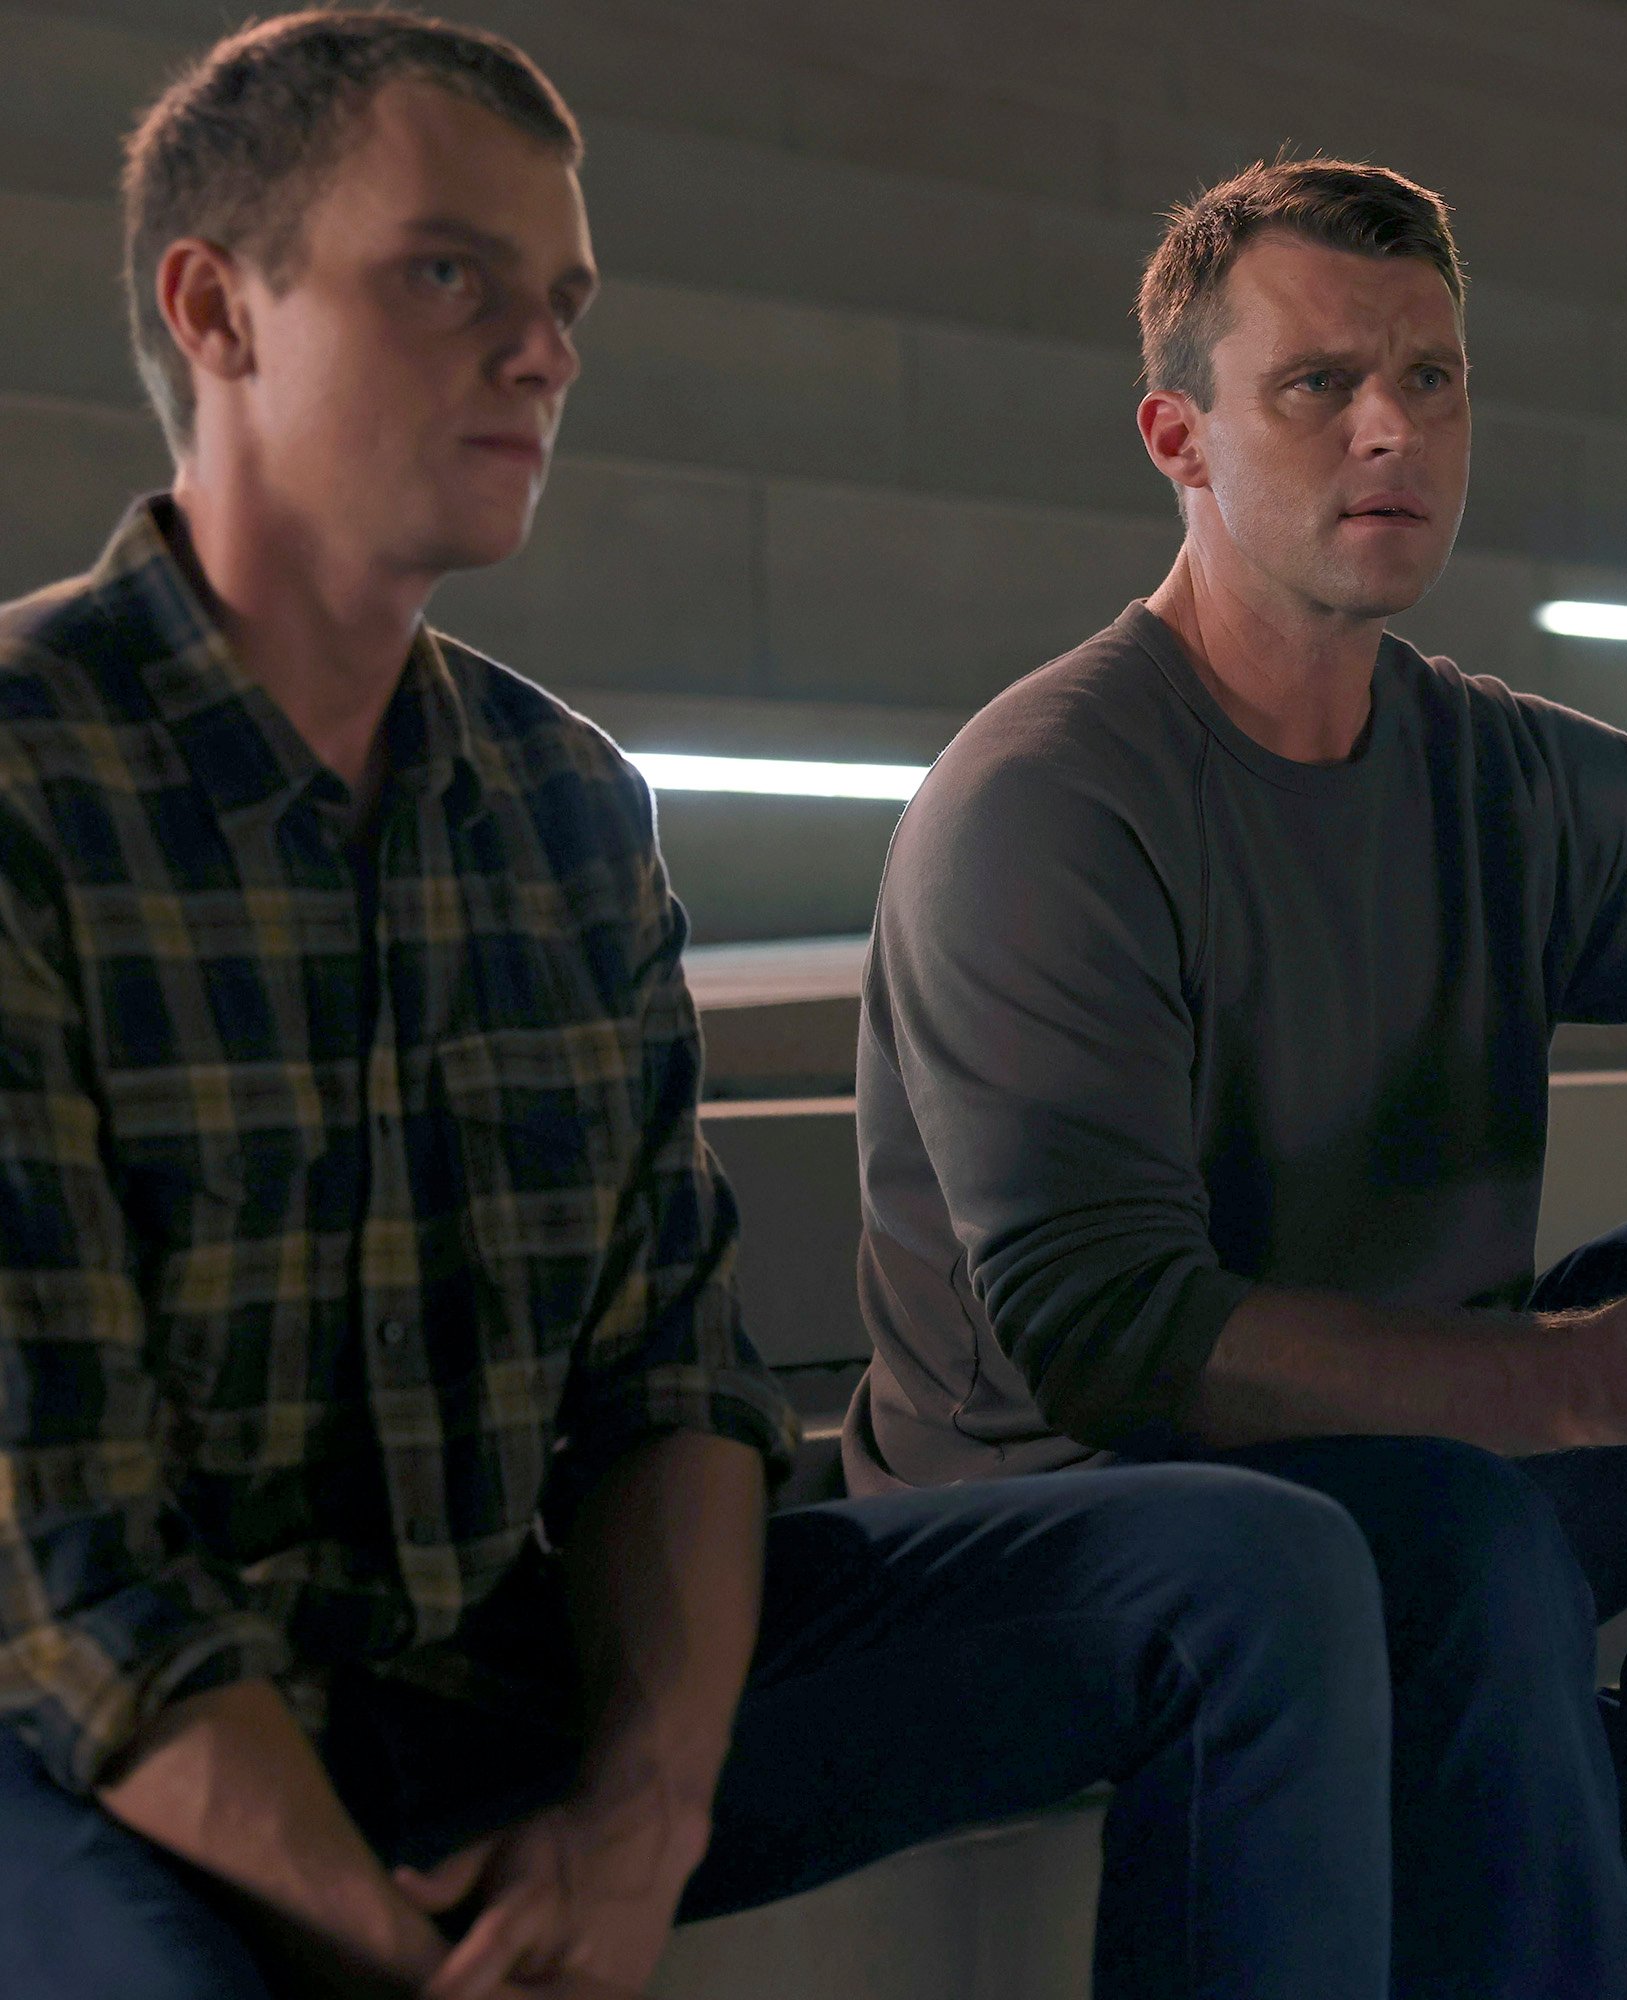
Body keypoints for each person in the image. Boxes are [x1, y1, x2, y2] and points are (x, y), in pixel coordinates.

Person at [0, 16, 1391, 1999]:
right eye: (449, 274)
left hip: (501, 1669)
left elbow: (672, 1379)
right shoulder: (26, 787)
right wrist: (393, 1938)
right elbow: (57, 1560)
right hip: (96, 1748)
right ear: (218, 309)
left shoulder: (563, 805)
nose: (543, 346)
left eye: (563, 297)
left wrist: (642, 1818)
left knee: (1252, 1572)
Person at [849, 157, 1627, 2000]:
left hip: (1431, 1481)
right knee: (1453, 1523)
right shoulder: (1050, 801)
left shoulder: (1506, 776)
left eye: (1434, 376)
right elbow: (1100, 1330)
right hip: (1082, 1538)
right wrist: (1576, 1383)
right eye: (1319, 384)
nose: (1391, 425)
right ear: (1180, 435)